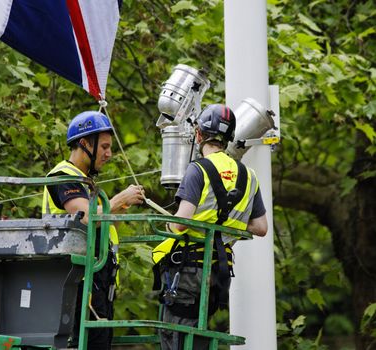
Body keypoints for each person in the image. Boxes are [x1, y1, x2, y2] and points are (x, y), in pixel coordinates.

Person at [152, 104, 268, 350]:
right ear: (228, 139)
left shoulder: (198, 170)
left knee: (176, 335)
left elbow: (180, 224)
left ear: (198, 135)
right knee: (198, 332)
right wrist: (226, 221)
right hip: (219, 271)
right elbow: (261, 227)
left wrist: (171, 223)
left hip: (187, 268)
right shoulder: (249, 175)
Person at [42, 111, 144, 349]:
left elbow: (102, 227)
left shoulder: (84, 181)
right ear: (85, 144)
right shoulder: (63, 176)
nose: (109, 154)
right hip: (78, 281)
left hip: (97, 282)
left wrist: (119, 208)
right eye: (104, 147)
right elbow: (85, 216)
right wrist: (119, 199)